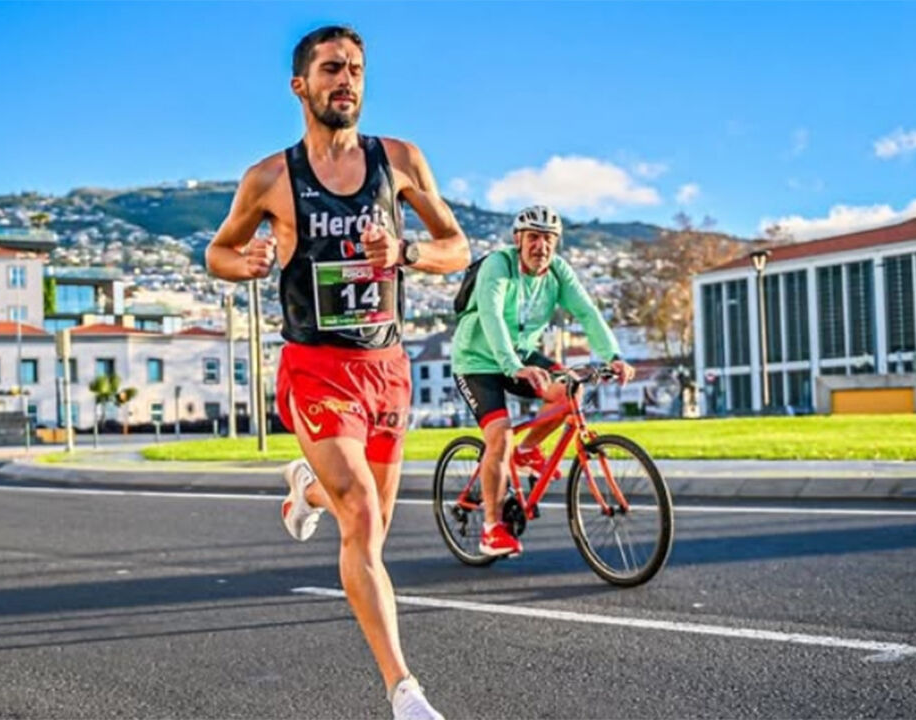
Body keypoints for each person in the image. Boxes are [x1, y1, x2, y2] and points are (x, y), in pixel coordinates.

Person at [205, 25, 468, 720]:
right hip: (316, 368)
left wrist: (404, 253)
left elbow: (457, 247)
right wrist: (250, 262)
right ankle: (404, 691)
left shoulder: (401, 160)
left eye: (354, 69)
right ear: (301, 85)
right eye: (330, 69)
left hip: (384, 366)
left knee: (372, 519)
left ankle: (305, 488)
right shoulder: (270, 178)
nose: (345, 79)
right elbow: (217, 253)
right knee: (360, 510)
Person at [451, 205, 634, 557]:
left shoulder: (558, 272)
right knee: (499, 436)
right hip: (476, 360)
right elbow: (491, 315)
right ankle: (491, 528)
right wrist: (511, 365)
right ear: (517, 239)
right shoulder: (498, 265)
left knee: (570, 390)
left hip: (520, 354)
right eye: (533, 237)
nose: (541, 246)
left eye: (549, 239)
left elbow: (586, 311)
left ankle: (526, 451)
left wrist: (613, 355)